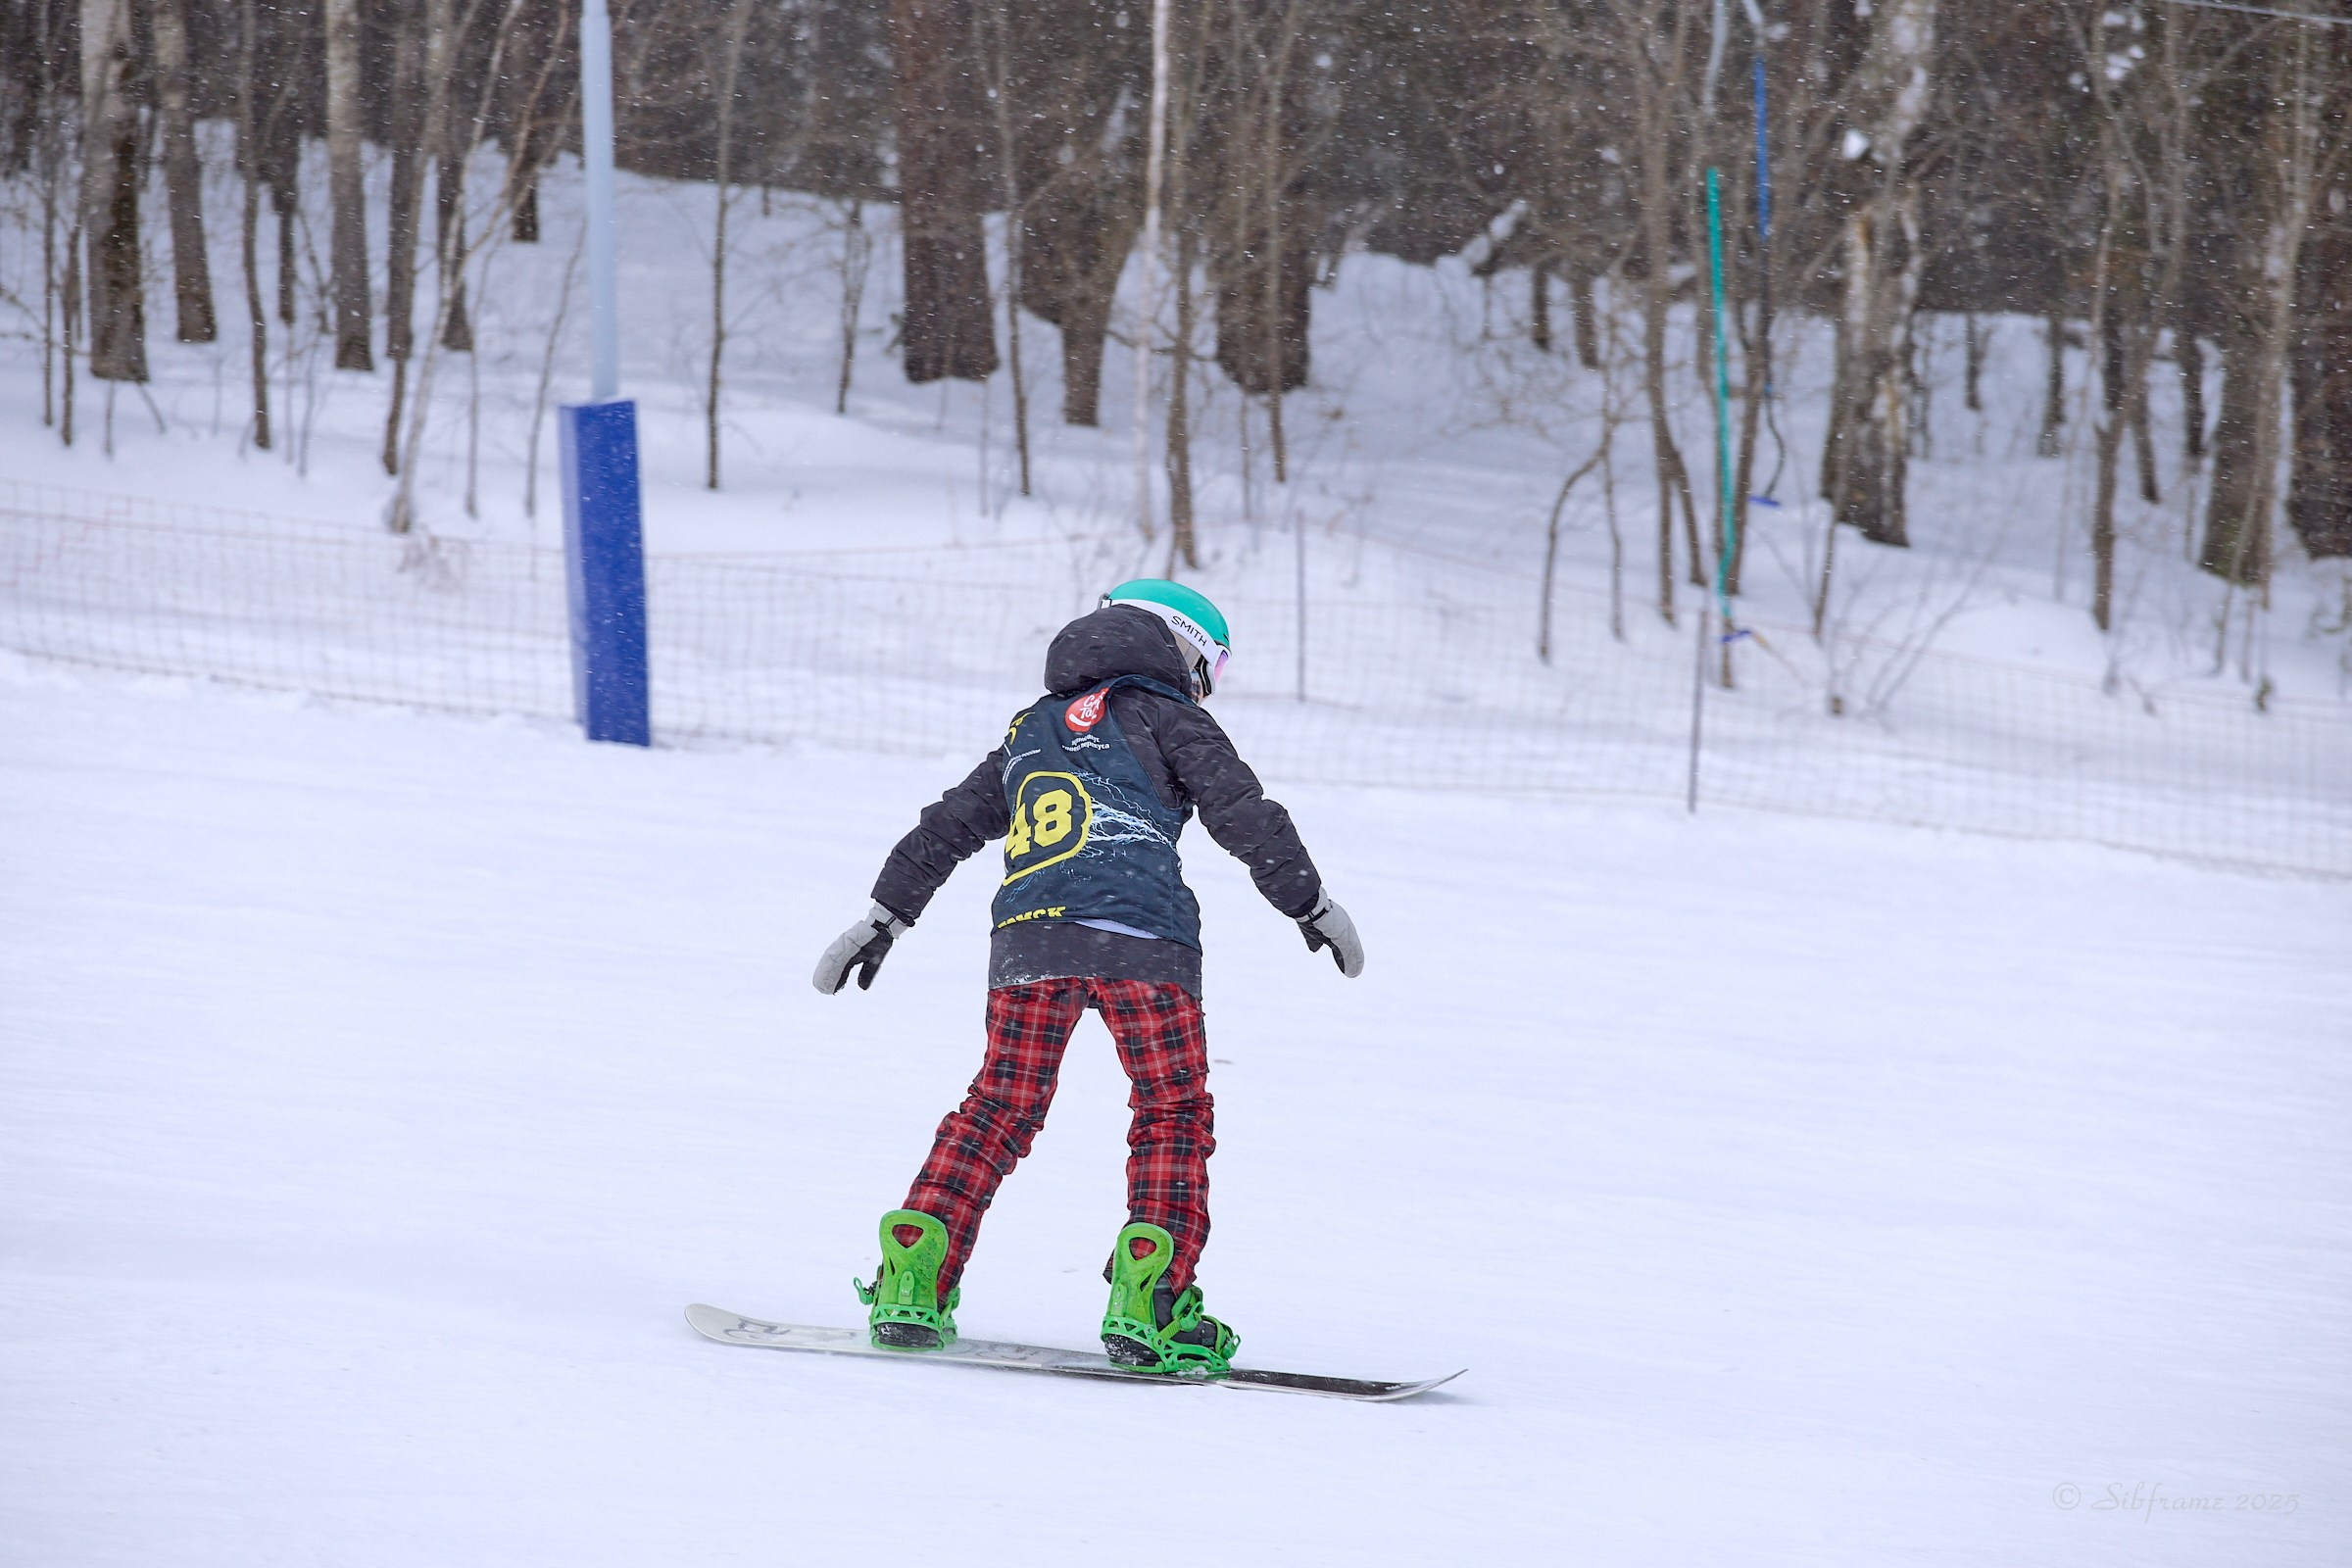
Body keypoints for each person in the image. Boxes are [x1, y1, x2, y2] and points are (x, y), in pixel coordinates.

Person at [812, 579, 1365, 1374]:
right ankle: (1152, 1301)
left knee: (999, 1106)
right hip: (1146, 944)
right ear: (1182, 648)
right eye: (1208, 669)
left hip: (1032, 944)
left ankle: (916, 1274)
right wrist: (1309, 903)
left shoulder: (1030, 729)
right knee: (1171, 1112)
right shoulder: (1172, 717)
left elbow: (948, 826)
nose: (1205, 687)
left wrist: (885, 915)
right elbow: (1245, 814)